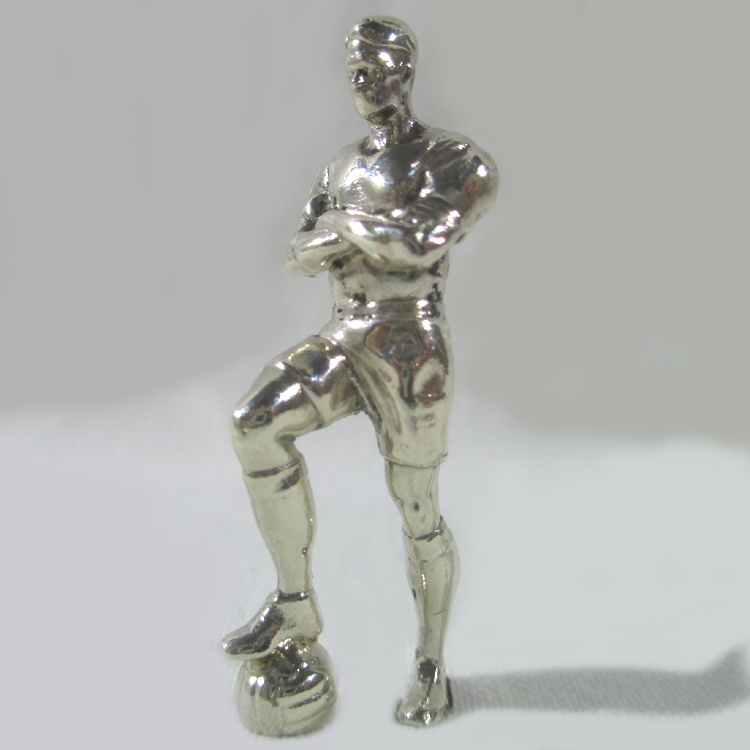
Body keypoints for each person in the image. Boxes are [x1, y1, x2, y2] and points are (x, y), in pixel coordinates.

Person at [222, 16, 497, 726]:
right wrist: (362, 234)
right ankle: (294, 600)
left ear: (405, 72)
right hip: (345, 335)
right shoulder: (340, 166)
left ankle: (431, 663)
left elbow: (420, 242)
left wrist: (344, 229)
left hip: (411, 349)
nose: (363, 82)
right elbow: (295, 252)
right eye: (354, 72)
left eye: (373, 69)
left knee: (417, 508)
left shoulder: (453, 158)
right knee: (254, 423)